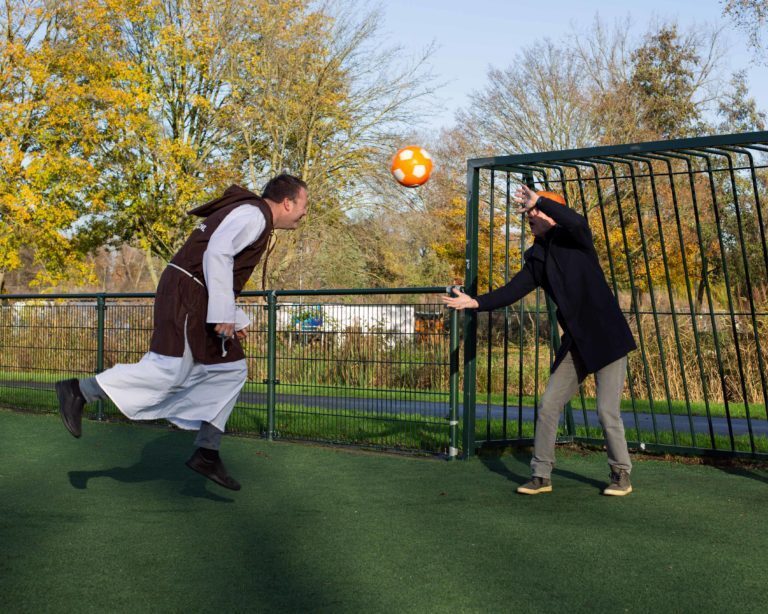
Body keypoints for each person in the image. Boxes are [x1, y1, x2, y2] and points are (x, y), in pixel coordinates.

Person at [55, 174, 309, 491]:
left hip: (193, 293)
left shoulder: (253, 215)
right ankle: (79, 391)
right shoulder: (254, 215)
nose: (303, 213)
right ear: (288, 202)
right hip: (187, 294)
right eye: (303, 205)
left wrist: (233, 316)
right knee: (169, 369)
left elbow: (219, 268)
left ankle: (207, 451)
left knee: (230, 369)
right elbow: (217, 254)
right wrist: (222, 314)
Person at [442, 185, 637, 496]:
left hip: (607, 338)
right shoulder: (537, 257)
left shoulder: (577, 240)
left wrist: (541, 200)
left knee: (606, 411)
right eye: (528, 211)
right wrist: (474, 303)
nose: (530, 215)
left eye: (536, 210)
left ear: (552, 214)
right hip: (577, 343)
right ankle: (541, 475)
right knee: (548, 405)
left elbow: (575, 220)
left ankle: (620, 475)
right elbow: (513, 290)